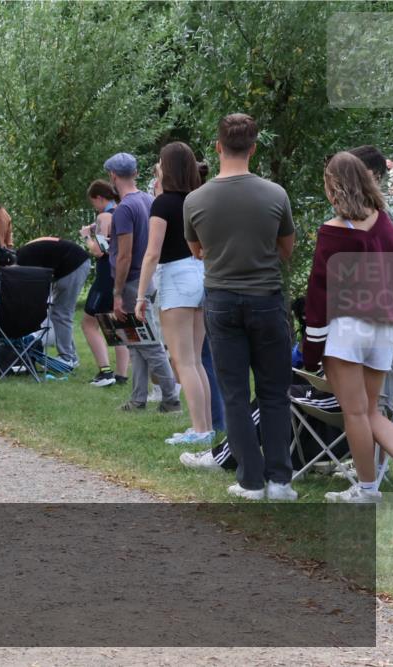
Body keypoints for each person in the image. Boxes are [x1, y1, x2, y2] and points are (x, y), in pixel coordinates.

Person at [184, 113, 297, 501]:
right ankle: (281, 480)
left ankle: (250, 480)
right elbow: (286, 250)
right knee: (274, 392)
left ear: (217, 146)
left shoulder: (195, 200)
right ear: (253, 147)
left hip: (221, 300)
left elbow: (196, 251)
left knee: (233, 392)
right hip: (266, 299)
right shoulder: (275, 194)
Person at [303, 152, 393, 503]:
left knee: (356, 414)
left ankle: (368, 490)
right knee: (372, 411)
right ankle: (367, 487)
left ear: (334, 188)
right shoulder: (386, 223)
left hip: (347, 329)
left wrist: (311, 350)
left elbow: (318, 294)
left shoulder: (332, 231)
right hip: (384, 327)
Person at [135, 142, 212, 445]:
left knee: (183, 360)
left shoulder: (163, 204)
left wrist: (141, 296)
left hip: (175, 277)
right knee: (195, 360)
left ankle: (200, 430)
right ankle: (204, 426)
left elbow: (152, 253)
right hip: (200, 273)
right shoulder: (199, 199)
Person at [104, 152, 180, 412]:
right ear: (135, 173)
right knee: (136, 344)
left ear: (113, 176)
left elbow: (124, 254)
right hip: (148, 278)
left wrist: (117, 292)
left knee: (149, 345)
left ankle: (171, 399)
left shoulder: (124, 208)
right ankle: (138, 399)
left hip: (132, 281)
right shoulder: (148, 200)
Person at [80, 180, 129, 386]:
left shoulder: (103, 216)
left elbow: (100, 250)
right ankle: (121, 374)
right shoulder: (120, 211)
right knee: (117, 324)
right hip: (119, 275)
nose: (95, 208)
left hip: (104, 276)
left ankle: (105, 372)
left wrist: (86, 237)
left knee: (88, 323)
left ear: (100, 198)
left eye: (94, 203)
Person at [16, 237, 90, 370]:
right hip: (73, 264)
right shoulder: (24, 253)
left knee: (61, 313)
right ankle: (70, 356)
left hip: (73, 266)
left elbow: (35, 287)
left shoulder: (23, 260)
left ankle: (67, 358)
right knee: (58, 313)